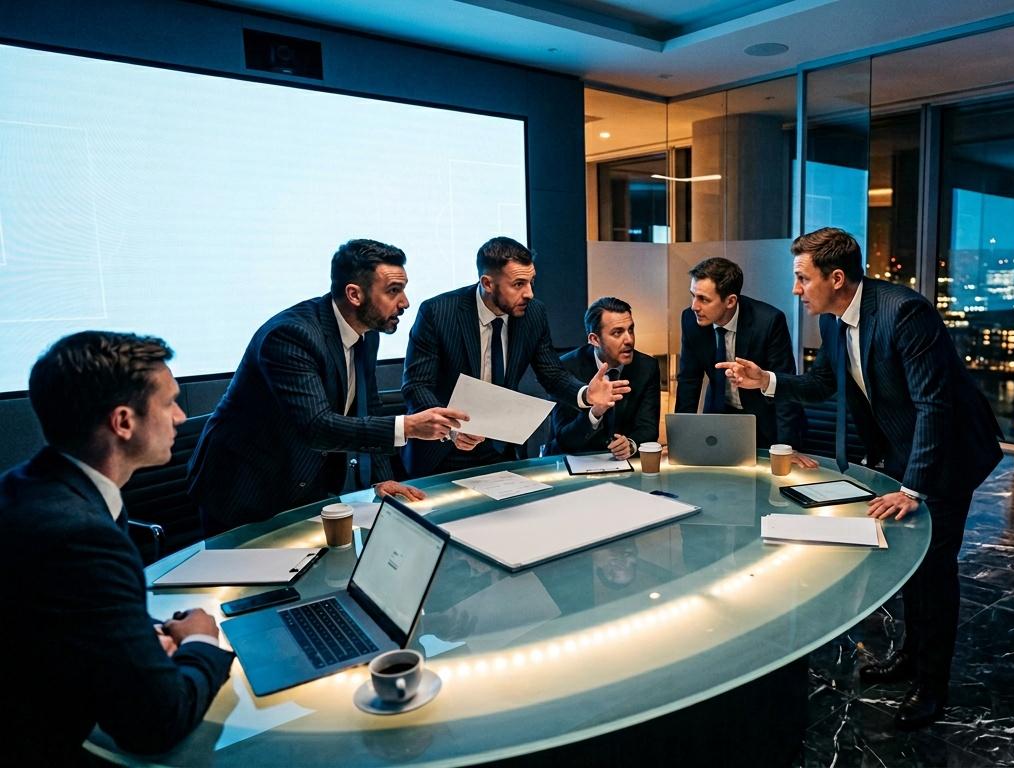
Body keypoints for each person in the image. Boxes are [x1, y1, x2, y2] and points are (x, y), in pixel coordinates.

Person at [718, 227, 1003, 730]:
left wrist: (913, 487)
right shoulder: (832, 321)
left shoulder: (903, 312)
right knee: (912, 563)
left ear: (836, 277)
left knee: (935, 570)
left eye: (803, 278)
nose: (796, 289)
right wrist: (765, 381)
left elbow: (933, 405)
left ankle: (932, 687)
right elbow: (825, 384)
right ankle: (912, 658)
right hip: (902, 448)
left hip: (947, 454)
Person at [0, 331, 234, 761]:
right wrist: (202, 642)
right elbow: (156, 724)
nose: (181, 417)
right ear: (124, 422)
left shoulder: (26, 487)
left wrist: (139, 639)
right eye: (169, 403)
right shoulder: (81, 538)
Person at [189, 239, 465, 535]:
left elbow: (367, 408)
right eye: (393, 291)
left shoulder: (367, 333)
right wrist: (407, 427)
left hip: (303, 481)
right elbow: (315, 426)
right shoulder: (292, 335)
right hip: (245, 486)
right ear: (354, 294)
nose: (405, 302)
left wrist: (381, 478)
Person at [402, 236, 630, 476]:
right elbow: (417, 385)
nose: (529, 293)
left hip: (498, 447)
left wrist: (584, 394)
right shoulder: (438, 312)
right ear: (488, 283)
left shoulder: (533, 313)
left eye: (531, 282)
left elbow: (551, 373)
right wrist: (451, 428)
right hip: (441, 449)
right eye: (519, 284)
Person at [675, 257, 812, 467]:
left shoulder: (768, 321)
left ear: (730, 301)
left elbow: (783, 384)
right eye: (693, 296)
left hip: (765, 420)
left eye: (704, 299)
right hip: (719, 416)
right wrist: (680, 439)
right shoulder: (691, 320)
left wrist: (786, 447)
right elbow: (688, 382)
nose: (694, 306)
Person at [548, 297, 660, 459]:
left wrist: (630, 444)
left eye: (630, 329)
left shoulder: (646, 366)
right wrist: (595, 413)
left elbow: (648, 427)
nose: (629, 340)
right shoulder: (565, 368)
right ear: (594, 339)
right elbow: (565, 440)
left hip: (625, 465)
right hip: (575, 462)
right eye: (617, 333)